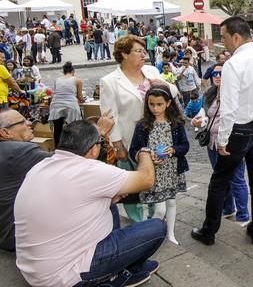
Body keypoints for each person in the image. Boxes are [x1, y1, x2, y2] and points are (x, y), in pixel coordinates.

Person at [14, 120, 165, 287]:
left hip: (35, 270)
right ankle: (120, 275)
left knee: (109, 201)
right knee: (157, 228)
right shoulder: (90, 170)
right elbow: (146, 179)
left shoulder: (41, 166)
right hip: (65, 277)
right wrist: (143, 152)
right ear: (94, 149)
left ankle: (117, 267)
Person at [191, 16, 253, 246]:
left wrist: (222, 139)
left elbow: (229, 107)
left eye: (224, 37)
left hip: (240, 128)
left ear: (236, 37)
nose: (223, 42)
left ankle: (209, 231)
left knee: (220, 179)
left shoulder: (234, 64)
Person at [100, 34, 177, 222]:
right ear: (124, 54)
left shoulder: (151, 71)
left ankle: (154, 215)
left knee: (153, 179)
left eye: (144, 51)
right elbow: (111, 116)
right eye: (138, 51)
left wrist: (162, 84)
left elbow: (172, 94)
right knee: (131, 182)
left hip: (157, 137)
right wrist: (118, 146)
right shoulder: (110, 81)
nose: (144, 55)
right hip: (129, 139)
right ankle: (136, 218)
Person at [129, 85, 189, 245]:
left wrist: (172, 150)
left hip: (171, 170)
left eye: (159, 104)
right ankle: (148, 234)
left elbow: (185, 146)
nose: (155, 108)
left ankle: (170, 234)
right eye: (151, 104)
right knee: (160, 209)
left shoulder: (175, 123)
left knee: (171, 202)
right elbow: (133, 149)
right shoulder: (143, 125)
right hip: (153, 173)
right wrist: (146, 155)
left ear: (168, 103)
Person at [192, 63, 250, 226]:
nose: (217, 77)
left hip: (231, 144)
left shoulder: (234, 95)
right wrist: (197, 121)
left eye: (221, 74)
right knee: (220, 177)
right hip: (212, 144)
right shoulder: (209, 93)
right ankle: (228, 208)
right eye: (214, 74)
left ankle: (243, 215)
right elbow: (205, 115)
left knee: (237, 179)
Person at [0, 110, 50, 252]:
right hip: (17, 237)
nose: (29, 123)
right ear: (5, 132)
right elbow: (67, 161)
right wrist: (99, 132)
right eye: (22, 122)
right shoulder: (19, 151)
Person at [48, 61, 84, 147]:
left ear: (63, 71)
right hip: (70, 104)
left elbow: (56, 93)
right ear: (73, 71)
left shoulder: (57, 80)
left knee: (57, 128)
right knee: (73, 127)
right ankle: (73, 146)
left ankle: (57, 147)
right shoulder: (77, 80)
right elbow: (80, 97)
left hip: (56, 104)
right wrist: (83, 99)